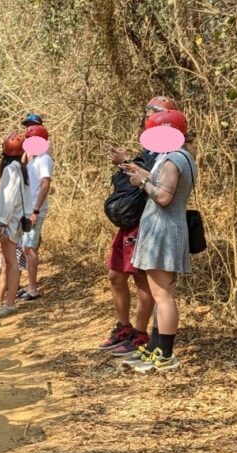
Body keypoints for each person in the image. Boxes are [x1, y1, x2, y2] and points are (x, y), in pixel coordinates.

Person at [98, 96, 178, 355]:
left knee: (142, 280)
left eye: (154, 113)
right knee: (116, 275)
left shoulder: (170, 155)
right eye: (148, 113)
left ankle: (140, 334)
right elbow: (130, 181)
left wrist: (128, 166)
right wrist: (124, 163)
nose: (148, 118)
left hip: (147, 223)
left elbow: (152, 187)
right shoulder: (150, 153)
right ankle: (124, 328)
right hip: (129, 221)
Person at [120, 109, 196, 372]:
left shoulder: (174, 159)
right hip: (166, 230)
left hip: (163, 231)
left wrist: (142, 183)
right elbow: (163, 186)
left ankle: (165, 354)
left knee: (163, 296)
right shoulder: (179, 156)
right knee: (162, 294)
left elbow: (164, 197)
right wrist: (141, 172)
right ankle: (154, 347)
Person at [0, 132, 31, 319]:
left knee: (11, 263)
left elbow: (9, 199)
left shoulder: (11, 169)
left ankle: (10, 303)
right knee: (7, 263)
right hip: (14, 221)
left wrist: (2, 222)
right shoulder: (21, 167)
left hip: (9, 222)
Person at [20, 123, 53, 301]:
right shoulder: (33, 159)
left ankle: (33, 288)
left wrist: (36, 209)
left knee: (30, 248)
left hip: (35, 209)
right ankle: (29, 283)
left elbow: (45, 184)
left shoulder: (44, 159)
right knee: (26, 247)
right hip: (27, 208)